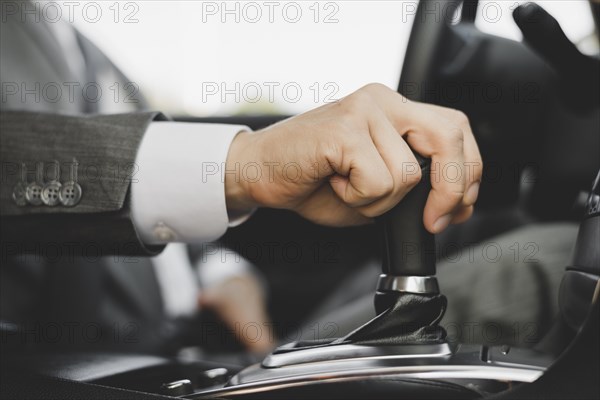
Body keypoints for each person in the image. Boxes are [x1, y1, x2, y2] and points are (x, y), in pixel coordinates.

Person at [1, 1, 481, 355]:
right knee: (531, 267)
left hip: (211, 342)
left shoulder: (90, 54)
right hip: (106, 359)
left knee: (474, 237)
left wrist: (224, 272)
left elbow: (161, 215)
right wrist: (242, 163)